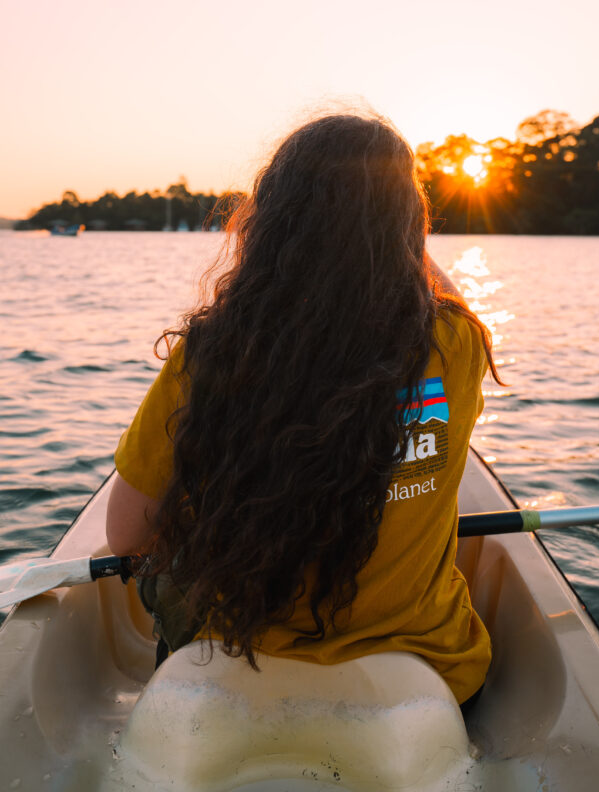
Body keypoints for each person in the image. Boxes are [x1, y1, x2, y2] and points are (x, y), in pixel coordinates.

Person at [106, 112, 501, 705]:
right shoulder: (456, 344)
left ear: (271, 225)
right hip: (432, 664)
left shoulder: (210, 355)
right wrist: (394, 238)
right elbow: (445, 297)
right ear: (407, 231)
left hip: (236, 655)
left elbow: (125, 538)